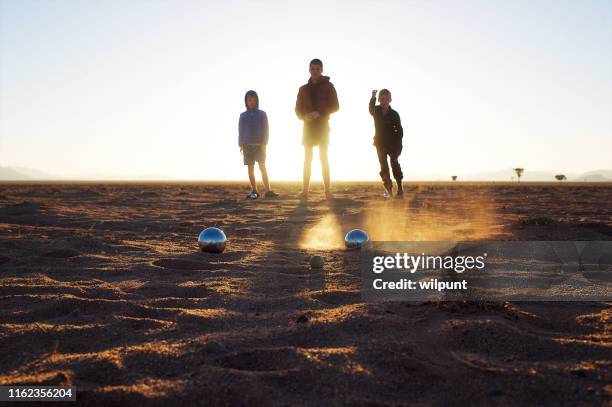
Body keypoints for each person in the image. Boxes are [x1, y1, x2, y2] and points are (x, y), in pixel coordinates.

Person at [295, 58, 339, 200]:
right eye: (312, 69)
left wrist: (319, 113)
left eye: (317, 69)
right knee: (307, 159)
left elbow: (336, 106)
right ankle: (305, 191)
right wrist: (304, 116)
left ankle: (327, 191)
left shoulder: (329, 86)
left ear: (321, 70)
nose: (315, 71)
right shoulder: (303, 89)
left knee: (323, 158)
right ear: (309, 70)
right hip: (308, 127)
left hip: (323, 126)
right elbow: (297, 110)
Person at [239, 90, 277, 199]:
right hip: (247, 145)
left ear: (257, 101)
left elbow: (266, 129)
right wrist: (240, 144)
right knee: (250, 169)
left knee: (262, 167)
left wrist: (264, 143)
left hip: (259, 145)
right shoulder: (243, 116)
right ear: (246, 101)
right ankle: (254, 191)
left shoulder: (262, 114)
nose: (251, 102)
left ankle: (268, 190)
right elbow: (240, 130)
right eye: (249, 100)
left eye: (254, 100)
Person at [369, 89, 404, 197]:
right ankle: (389, 191)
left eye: (387, 99)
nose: (384, 101)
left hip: (393, 144)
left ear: (390, 100)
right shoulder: (376, 111)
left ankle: (400, 188)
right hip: (380, 143)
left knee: (394, 163)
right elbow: (370, 108)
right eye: (382, 99)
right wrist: (373, 97)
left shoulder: (394, 114)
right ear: (379, 100)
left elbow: (400, 131)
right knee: (384, 167)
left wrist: (398, 144)